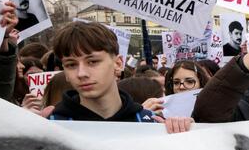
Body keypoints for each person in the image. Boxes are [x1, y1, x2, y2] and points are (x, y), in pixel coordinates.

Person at [46, 21, 191, 131]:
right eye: (71, 65)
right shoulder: (50, 127)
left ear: (118, 63)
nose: (81, 73)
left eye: (93, 61)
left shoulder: (150, 123)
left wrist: (182, 133)